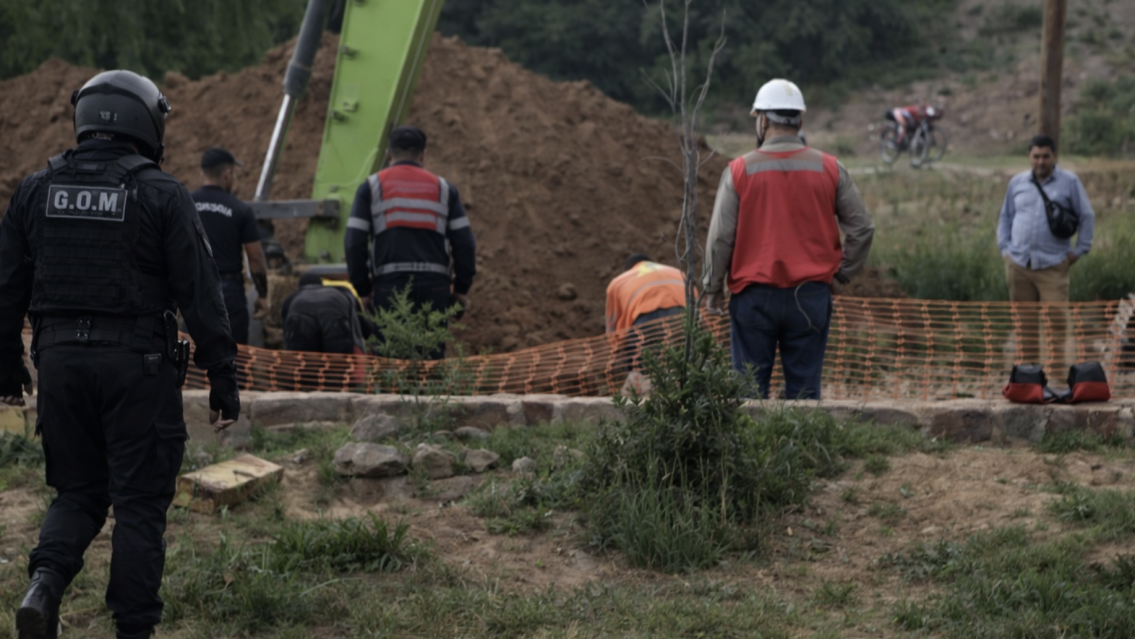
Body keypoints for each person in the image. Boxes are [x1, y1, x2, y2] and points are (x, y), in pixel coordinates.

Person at [0, 70, 240, 639]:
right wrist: (222, 376)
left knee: (79, 491)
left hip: (58, 363)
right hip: (137, 367)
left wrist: (8, 365)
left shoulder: (35, 189)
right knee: (137, 504)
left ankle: (45, 585)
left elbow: (6, 285)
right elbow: (202, 295)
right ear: (145, 121)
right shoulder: (161, 191)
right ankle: (133, 629)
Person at [703, 78, 875, 400]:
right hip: (810, 297)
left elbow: (720, 239)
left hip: (753, 298)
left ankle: (754, 450)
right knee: (804, 395)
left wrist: (713, 289)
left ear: (764, 120)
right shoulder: (830, 168)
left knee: (748, 395)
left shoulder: (740, 170)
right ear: (800, 121)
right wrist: (839, 278)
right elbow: (863, 228)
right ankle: (803, 448)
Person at [345, 125, 476, 359]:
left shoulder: (371, 187)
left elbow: (354, 243)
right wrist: (461, 290)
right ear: (422, 155)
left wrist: (363, 290)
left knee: (391, 363)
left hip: (389, 287)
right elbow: (465, 244)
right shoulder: (445, 189)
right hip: (435, 289)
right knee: (430, 361)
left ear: (389, 155)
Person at [997, 134, 1095, 365]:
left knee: (1057, 325)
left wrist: (1079, 251)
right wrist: (1005, 251)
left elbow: (1087, 217)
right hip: (1019, 265)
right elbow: (1005, 217)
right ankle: (1030, 379)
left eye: (1046, 156)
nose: (1041, 161)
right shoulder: (1017, 182)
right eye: (1036, 156)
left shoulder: (1069, 182)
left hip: (1053, 265)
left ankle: (1058, 380)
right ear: (1029, 157)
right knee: (1024, 325)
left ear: (1054, 157)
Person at [190, 147, 269, 345]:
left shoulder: (185, 203)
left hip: (194, 289)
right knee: (233, 357)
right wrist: (263, 295)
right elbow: (256, 257)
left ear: (202, 173)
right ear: (228, 174)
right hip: (228, 292)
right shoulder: (240, 209)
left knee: (193, 357)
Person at [605, 254, 686, 370]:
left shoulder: (619, 282)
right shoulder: (678, 273)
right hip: (684, 314)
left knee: (641, 368)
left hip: (646, 317)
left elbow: (612, 325)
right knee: (686, 362)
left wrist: (616, 351)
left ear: (628, 269)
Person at [282, 271, 368, 354]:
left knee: (307, 365)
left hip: (302, 326)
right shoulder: (342, 292)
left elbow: (287, 328)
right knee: (338, 364)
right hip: (335, 322)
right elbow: (360, 322)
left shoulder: (292, 298)